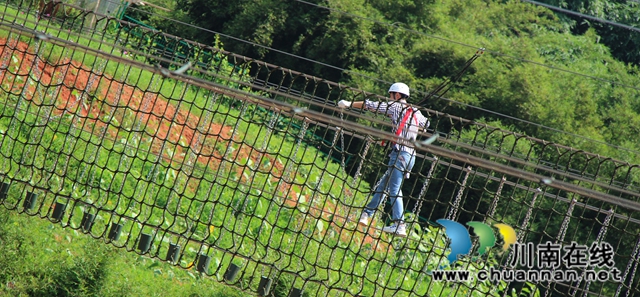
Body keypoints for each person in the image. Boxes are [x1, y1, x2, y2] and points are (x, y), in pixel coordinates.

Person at [337, 82, 429, 237]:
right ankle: (366, 214)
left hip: (399, 154)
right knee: (383, 185)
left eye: (390, 95)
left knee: (394, 189)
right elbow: (426, 125)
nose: (389, 98)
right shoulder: (415, 111)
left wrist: (348, 104)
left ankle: (399, 224)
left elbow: (370, 105)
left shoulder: (394, 107)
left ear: (397, 95)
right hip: (410, 156)